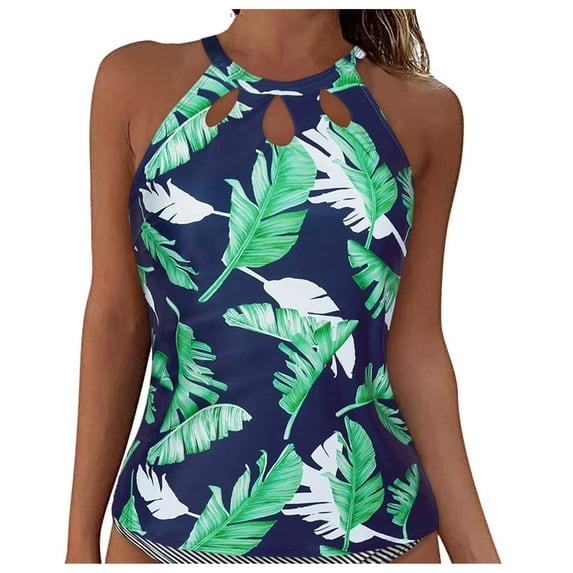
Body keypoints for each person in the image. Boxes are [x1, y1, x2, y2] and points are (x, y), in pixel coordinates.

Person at [65, 8, 500, 564]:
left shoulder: (425, 111)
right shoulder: (133, 81)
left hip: (375, 535)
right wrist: (78, 544)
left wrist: (477, 555)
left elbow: (415, 348)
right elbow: (117, 320)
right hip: (166, 534)